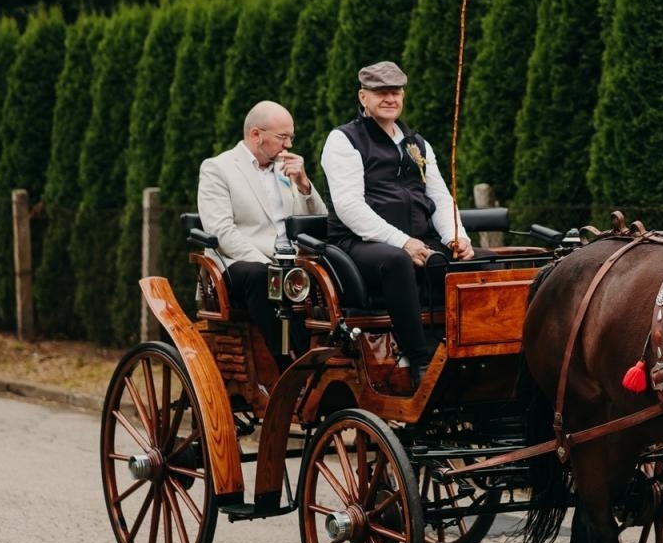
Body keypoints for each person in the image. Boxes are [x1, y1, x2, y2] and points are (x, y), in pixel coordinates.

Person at [320, 61, 479, 387]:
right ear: (363, 97)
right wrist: (401, 242)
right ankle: (418, 363)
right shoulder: (343, 140)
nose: (390, 98)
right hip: (358, 245)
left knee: (470, 268)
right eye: (381, 92)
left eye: (396, 91)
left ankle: (466, 356)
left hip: (418, 240)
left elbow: (440, 196)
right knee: (396, 262)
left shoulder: (417, 143)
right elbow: (349, 207)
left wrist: (456, 237)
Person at [196, 100, 329, 368]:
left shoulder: (288, 169)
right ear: (256, 135)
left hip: (292, 262)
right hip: (241, 263)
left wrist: (304, 185)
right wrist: (269, 265)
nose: (289, 145)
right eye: (283, 137)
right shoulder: (218, 168)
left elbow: (320, 223)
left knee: (337, 270)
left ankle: (336, 361)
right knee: (263, 277)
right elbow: (221, 231)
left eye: (291, 137)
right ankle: (288, 363)